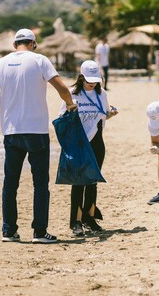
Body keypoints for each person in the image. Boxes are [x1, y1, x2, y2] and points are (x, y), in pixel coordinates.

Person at [0, 28, 76, 244]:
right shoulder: (40, 60)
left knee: (10, 183)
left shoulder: (1, 63)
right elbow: (62, 88)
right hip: (37, 131)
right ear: (33, 43)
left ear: (14, 44)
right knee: (40, 184)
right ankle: (39, 232)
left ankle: (9, 231)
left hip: (11, 131)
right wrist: (72, 106)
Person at [58, 60, 118, 236]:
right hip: (78, 142)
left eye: (95, 79)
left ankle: (89, 219)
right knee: (78, 183)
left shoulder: (102, 94)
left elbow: (105, 115)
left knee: (92, 181)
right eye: (89, 79)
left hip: (97, 143)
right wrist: (71, 111)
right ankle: (75, 222)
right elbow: (61, 118)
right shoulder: (71, 94)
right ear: (81, 76)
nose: (92, 83)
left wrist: (112, 113)